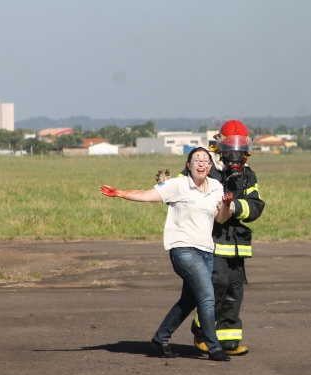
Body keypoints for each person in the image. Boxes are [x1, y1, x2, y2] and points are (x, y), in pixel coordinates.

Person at [101, 147, 233, 362]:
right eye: (196, 160)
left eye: (205, 160)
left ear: (210, 166)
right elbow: (147, 195)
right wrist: (119, 193)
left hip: (206, 251)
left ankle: (160, 338)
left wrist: (227, 205)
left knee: (190, 299)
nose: (201, 163)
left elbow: (221, 219)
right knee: (207, 297)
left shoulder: (216, 187)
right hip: (183, 249)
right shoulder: (178, 185)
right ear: (188, 165)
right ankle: (214, 347)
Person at [158, 120, 265, 356]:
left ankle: (228, 339)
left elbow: (256, 206)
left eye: (240, 146)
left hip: (237, 246)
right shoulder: (206, 168)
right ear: (218, 146)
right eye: (230, 146)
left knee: (235, 290)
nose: (235, 153)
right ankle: (204, 335)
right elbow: (180, 189)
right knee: (215, 287)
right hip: (210, 241)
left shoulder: (248, 175)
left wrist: (235, 207)